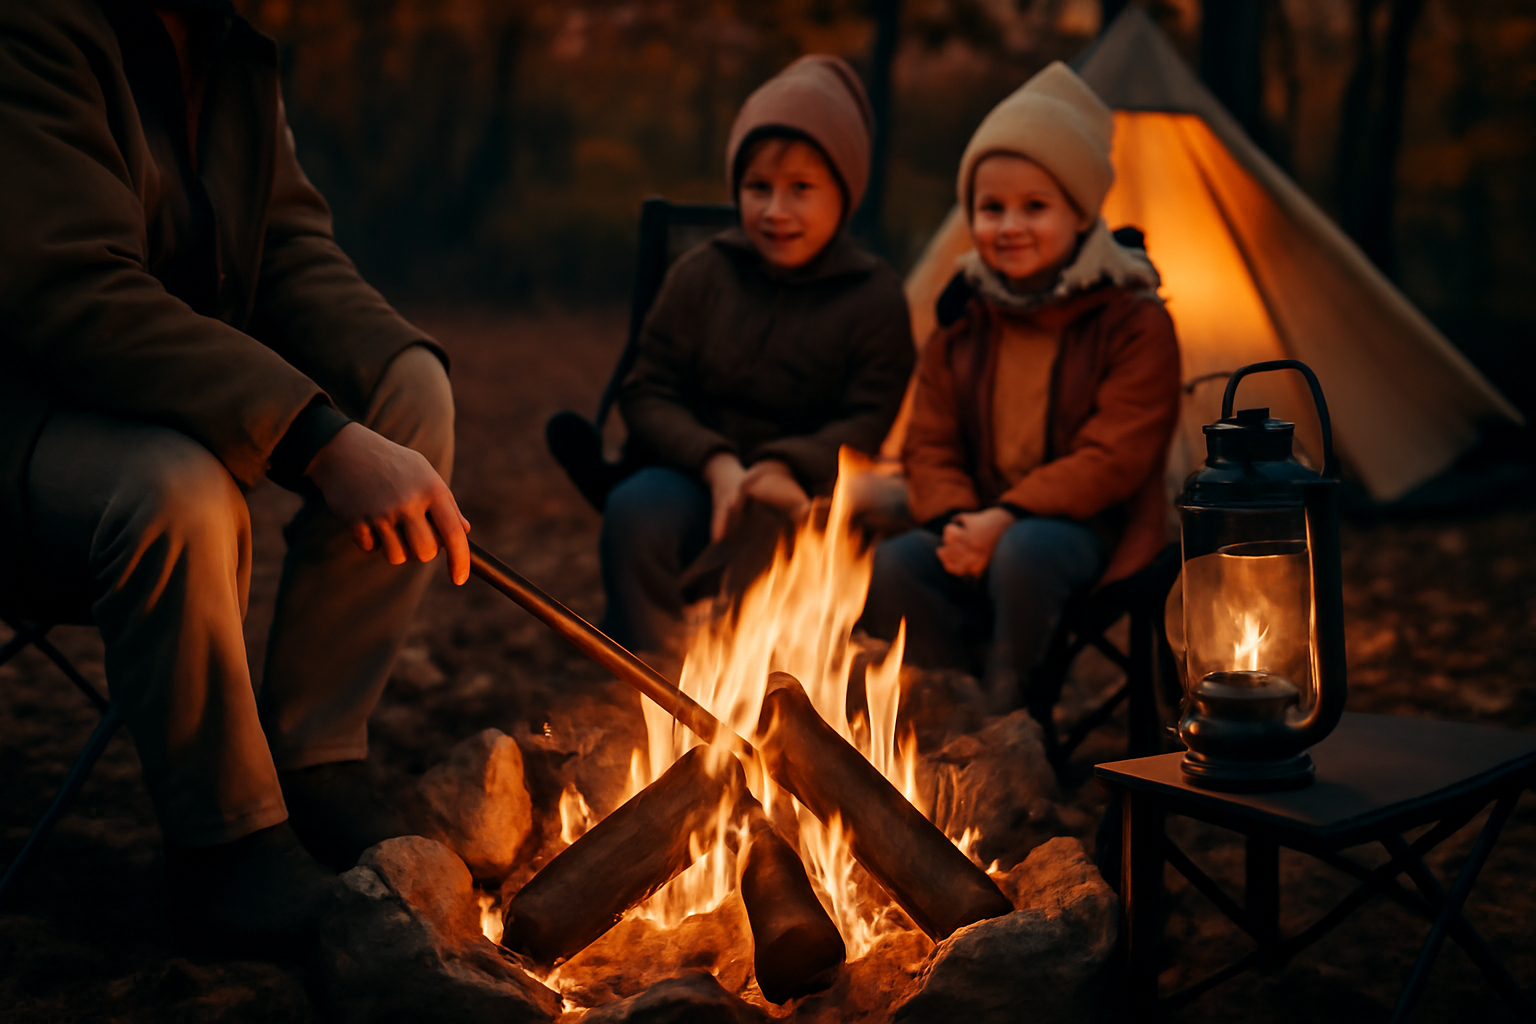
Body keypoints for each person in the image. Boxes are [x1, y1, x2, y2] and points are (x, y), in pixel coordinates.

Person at [0, 0, 470, 944]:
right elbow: (72, 292)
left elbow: (286, 248)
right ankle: (229, 849)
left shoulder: (230, 48)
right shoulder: (32, 28)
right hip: (28, 417)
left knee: (411, 395)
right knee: (179, 488)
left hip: (159, 392)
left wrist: (384, 376)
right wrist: (318, 437)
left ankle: (315, 759)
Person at [860, 62, 1181, 713]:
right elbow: (929, 442)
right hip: (975, 519)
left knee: (1025, 552)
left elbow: (1114, 456)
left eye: (1035, 207)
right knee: (897, 563)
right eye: (991, 208)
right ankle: (949, 717)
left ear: (1080, 215)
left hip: (1090, 528)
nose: (1009, 226)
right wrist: (958, 523)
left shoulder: (1133, 318)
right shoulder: (963, 318)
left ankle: (1012, 723)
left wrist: (1004, 520)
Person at [600, 55, 915, 659]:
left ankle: (753, 683)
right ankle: (647, 675)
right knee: (635, 512)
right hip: (694, 473)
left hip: (804, 486)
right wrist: (716, 462)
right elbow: (647, 388)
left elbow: (870, 415)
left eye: (801, 189)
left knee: (778, 531)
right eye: (758, 188)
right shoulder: (703, 273)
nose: (775, 211)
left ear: (844, 193)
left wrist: (780, 464)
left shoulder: (874, 296)